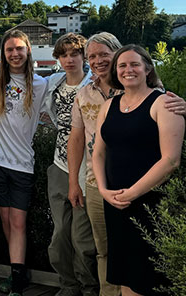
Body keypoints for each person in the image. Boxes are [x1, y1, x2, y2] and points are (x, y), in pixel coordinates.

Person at [67, 32, 186, 296]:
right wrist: (104, 189)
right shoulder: (107, 104)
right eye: (122, 65)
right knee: (118, 265)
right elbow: (97, 151)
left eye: (134, 64)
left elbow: (171, 159)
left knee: (146, 272)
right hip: (111, 197)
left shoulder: (163, 102)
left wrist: (130, 193)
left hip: (148, 201)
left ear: (147, 68)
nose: (128, 70)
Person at [0, 29, 48, 296]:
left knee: (18, 222)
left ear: (28, 51)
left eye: (19, 48)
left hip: (22, 163)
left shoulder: (42, 84)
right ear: (3, 54)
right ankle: (15, 272)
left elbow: (79, 78)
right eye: (9, 50)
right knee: (7, 220)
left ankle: (18, 280)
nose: (15, 54)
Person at [42, 34, 98, 296]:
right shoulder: (54, 82)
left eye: (74, 54)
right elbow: (24, 83)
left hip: (88, 168)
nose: (69, 60)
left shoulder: (96, 84)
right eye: (63, 55)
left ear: (83, 56)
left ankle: (88, 288)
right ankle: (68, 286)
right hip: (59, 165)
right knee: (60, 235)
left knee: (82, 239)